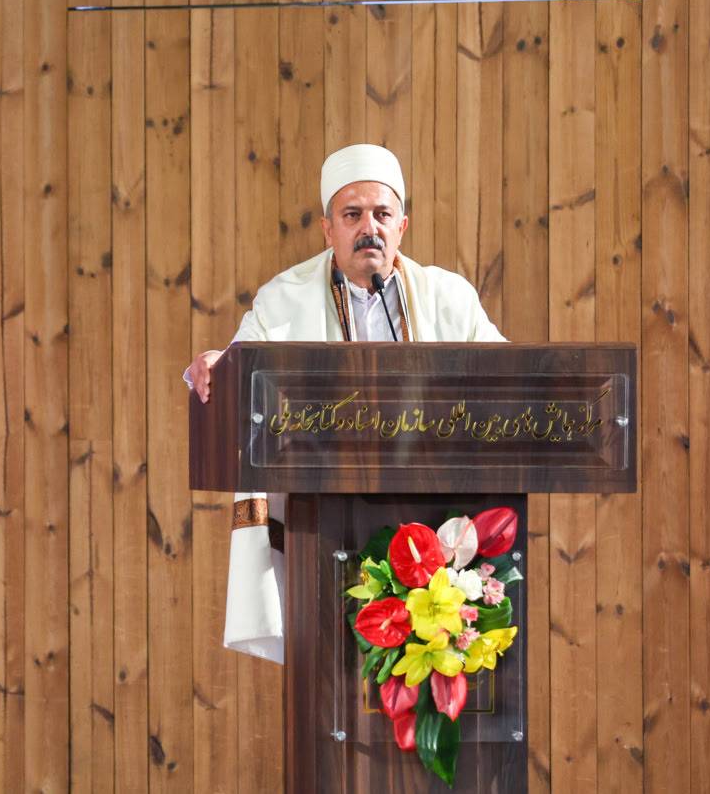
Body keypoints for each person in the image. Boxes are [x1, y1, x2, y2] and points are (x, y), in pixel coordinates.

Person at [185, 143, 506, 664]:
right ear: (327, 229)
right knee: (327, 672)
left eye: (382, 214)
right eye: (352, 215)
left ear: (403, 226)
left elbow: (508, 381)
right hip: (320, 520)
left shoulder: (450, 298)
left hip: (433, 524)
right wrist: (215, 363)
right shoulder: (283, 299)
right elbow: (236, 367)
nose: (368, 228)